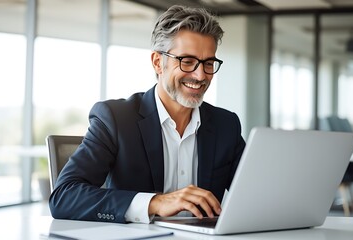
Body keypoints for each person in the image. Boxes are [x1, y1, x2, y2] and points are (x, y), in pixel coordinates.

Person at [49, 5, 245, 224]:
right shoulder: (115, 119)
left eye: (208, 63)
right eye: (187, 61)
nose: (200, 75)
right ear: (158, 62)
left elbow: (255, 194)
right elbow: (64, 196)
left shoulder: (226, 125)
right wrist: (155, 202)